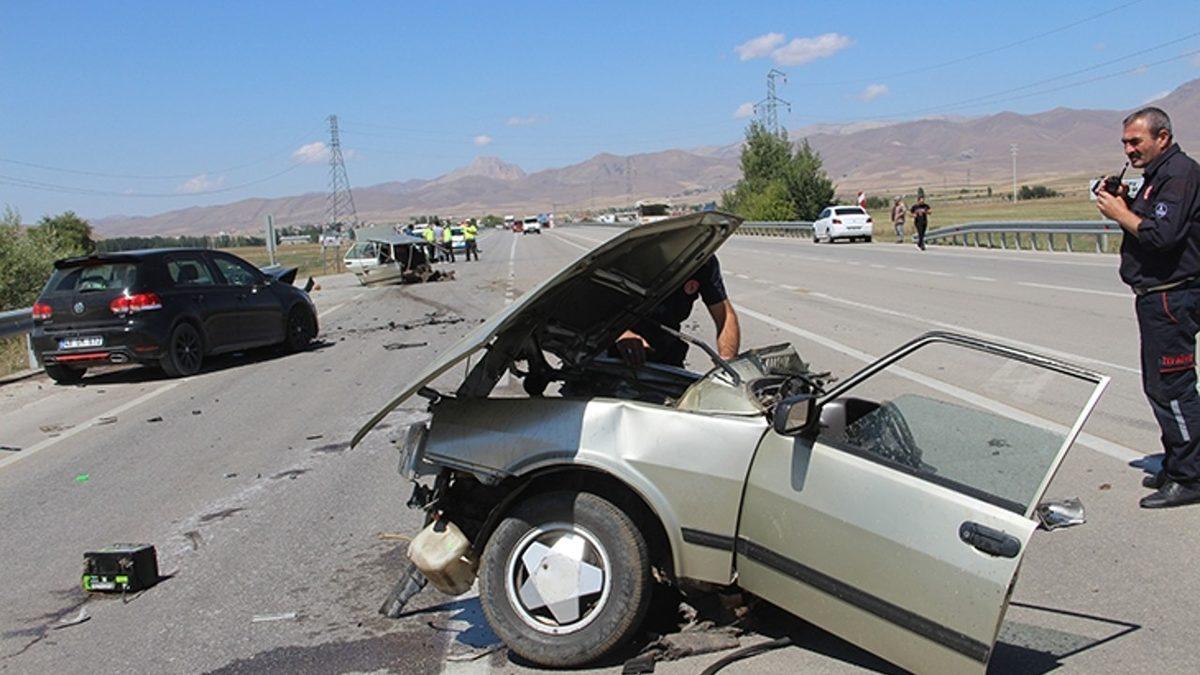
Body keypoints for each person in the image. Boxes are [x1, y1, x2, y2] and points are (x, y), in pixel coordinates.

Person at [1095, 106, 1200, 508]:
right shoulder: (1157, 177)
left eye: (1136, 141)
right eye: (1124, 142)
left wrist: (1121, 214)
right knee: (1161, 385)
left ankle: (1191, 476)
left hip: (1173, 296)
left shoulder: (1180, 175)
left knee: (1172, 386)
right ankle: (1179, 463)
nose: (1129, 149)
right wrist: (1127, 201)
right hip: (1159, 296)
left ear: (1163, 138)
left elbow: (1163, 235)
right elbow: (1152, 222)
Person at [614, 256, 740, 368]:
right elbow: (597, 305)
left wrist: (727, 361)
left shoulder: (701, 260)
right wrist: (621, 333)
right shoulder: (630, 255)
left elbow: (724, 315)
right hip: (616, 354)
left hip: (668, 353)